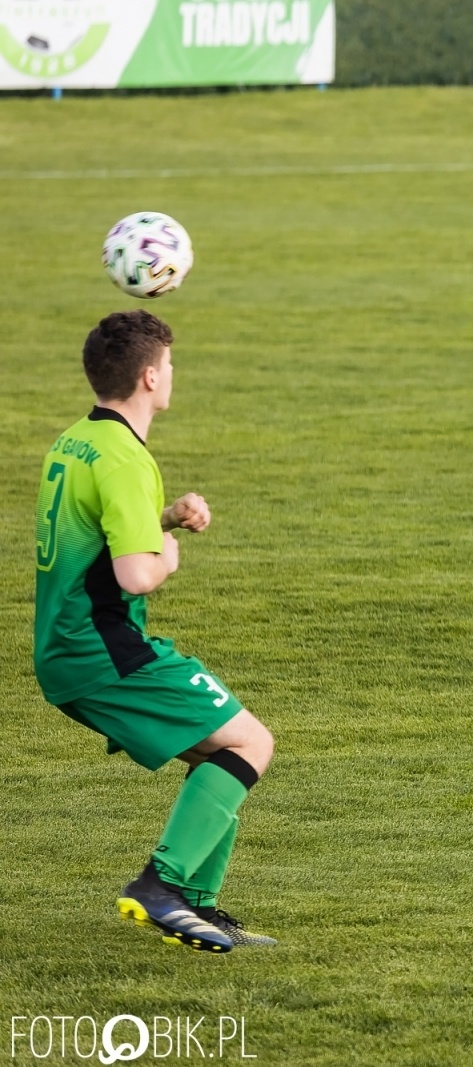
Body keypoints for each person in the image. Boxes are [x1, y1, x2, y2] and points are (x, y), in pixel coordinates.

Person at [33, 309, 278, 952]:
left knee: (218, 752)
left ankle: (194, 905)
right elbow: (137, 575)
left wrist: (162, 519)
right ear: (149, 376)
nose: (173, 374)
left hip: (68, 644)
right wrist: (165, 552)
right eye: (169, 364)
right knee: (252, 743)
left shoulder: (76, 441)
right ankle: (160, 886)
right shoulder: (124, 459)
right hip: (102, 648)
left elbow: (99, 542)